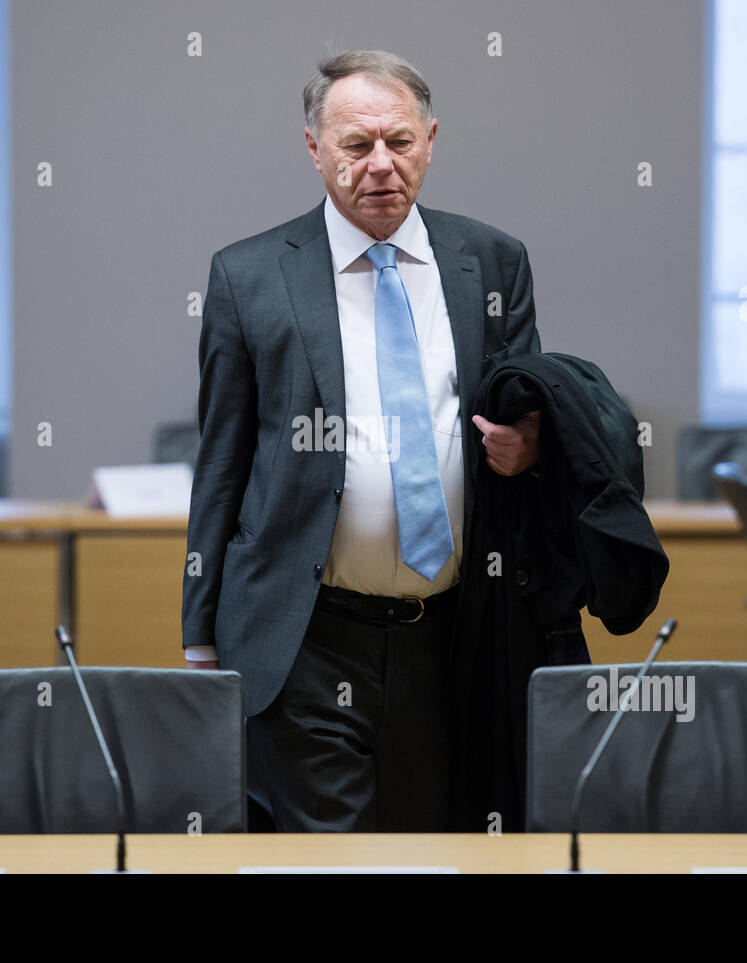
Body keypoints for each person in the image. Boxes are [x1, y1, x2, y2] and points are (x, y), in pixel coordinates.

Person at [182, 49, 542, 831]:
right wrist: (198, 635)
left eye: (400, 142)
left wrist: (530, 447)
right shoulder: (249, 276)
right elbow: (221, 462)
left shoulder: (492, 261)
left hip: (452, 635)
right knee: (331, 852)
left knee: (436, 842)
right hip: (305, 632)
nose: (381, 164)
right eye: (355, 145)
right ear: (315, 149)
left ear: (431, 139)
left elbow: (529, 415)